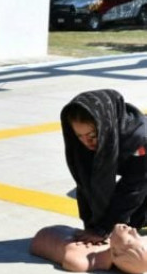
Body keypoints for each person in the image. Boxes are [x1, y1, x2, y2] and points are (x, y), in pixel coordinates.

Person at [61, 89, 147, 243]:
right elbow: (85, 181)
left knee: (131, 222)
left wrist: (104, 228)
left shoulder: (139, 139)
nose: (87, 143)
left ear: (104, 126)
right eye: (80, 136)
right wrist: (92, 225)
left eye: (92, 136)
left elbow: (134, 188)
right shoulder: (101, 134)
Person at [30, 224, 147, 274]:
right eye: (137, 236)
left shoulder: (80, 262)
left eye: (130, 240)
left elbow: (70, 261)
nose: (134, 231)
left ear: (116, 254)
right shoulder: (107, 243)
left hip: (41, 238)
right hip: (57, 230)